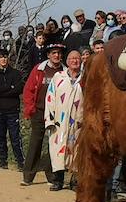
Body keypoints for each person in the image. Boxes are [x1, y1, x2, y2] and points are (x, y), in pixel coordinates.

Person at [20, 42, 64, 186]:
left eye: (58, 53)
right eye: (54, 53)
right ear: (48, 55)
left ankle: (52, 176)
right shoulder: (39, 70)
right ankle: (28, 176)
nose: (56, 55)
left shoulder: (65, 71)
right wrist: (30, 108)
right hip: (39, 111)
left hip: (57, 113)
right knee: (35, 143)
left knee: (55, 144)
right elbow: (28, 90)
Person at [43, 48, 85, 190]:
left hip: (78, 122)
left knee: (77, 149)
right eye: (72, 58)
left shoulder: (85, 78)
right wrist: (49, 120)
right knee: (57, 149)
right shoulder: (58, 77)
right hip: (59, 122)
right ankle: (57, 180)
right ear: (67, 61)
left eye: (77, 58)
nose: (75, 61)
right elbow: (50, 98)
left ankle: (75, 180)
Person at [0, 48, 25, 170]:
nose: (3, 59)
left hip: (12, 110)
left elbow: (18, 89)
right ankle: (3, 160)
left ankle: (20, 162)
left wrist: (5, 89)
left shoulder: (16, 73)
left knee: (15, 137)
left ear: (8, 58)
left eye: (5, 56)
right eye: (1, 57)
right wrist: (10, 87)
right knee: (0, 137)